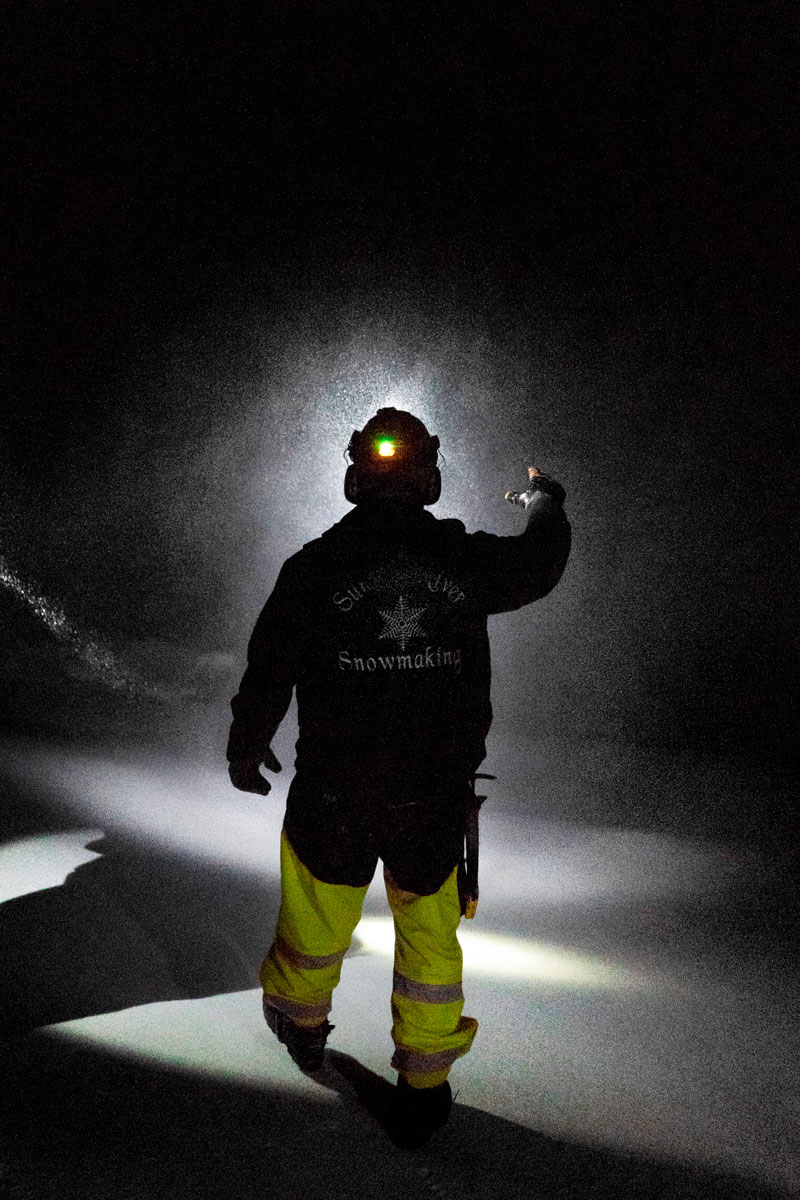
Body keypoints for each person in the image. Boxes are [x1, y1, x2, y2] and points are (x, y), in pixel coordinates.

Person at [227, 407, 571, 1147]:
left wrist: (246, 744)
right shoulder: (464, 562)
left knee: (316, 919)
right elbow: (539, 567)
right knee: (429, 936)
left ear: (357, 473)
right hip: (432, 792)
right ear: (429, 472)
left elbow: (271, 662)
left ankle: (300, 1022)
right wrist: (548, 504)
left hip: (335, 789)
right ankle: (424, 1081)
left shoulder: (315, 565)